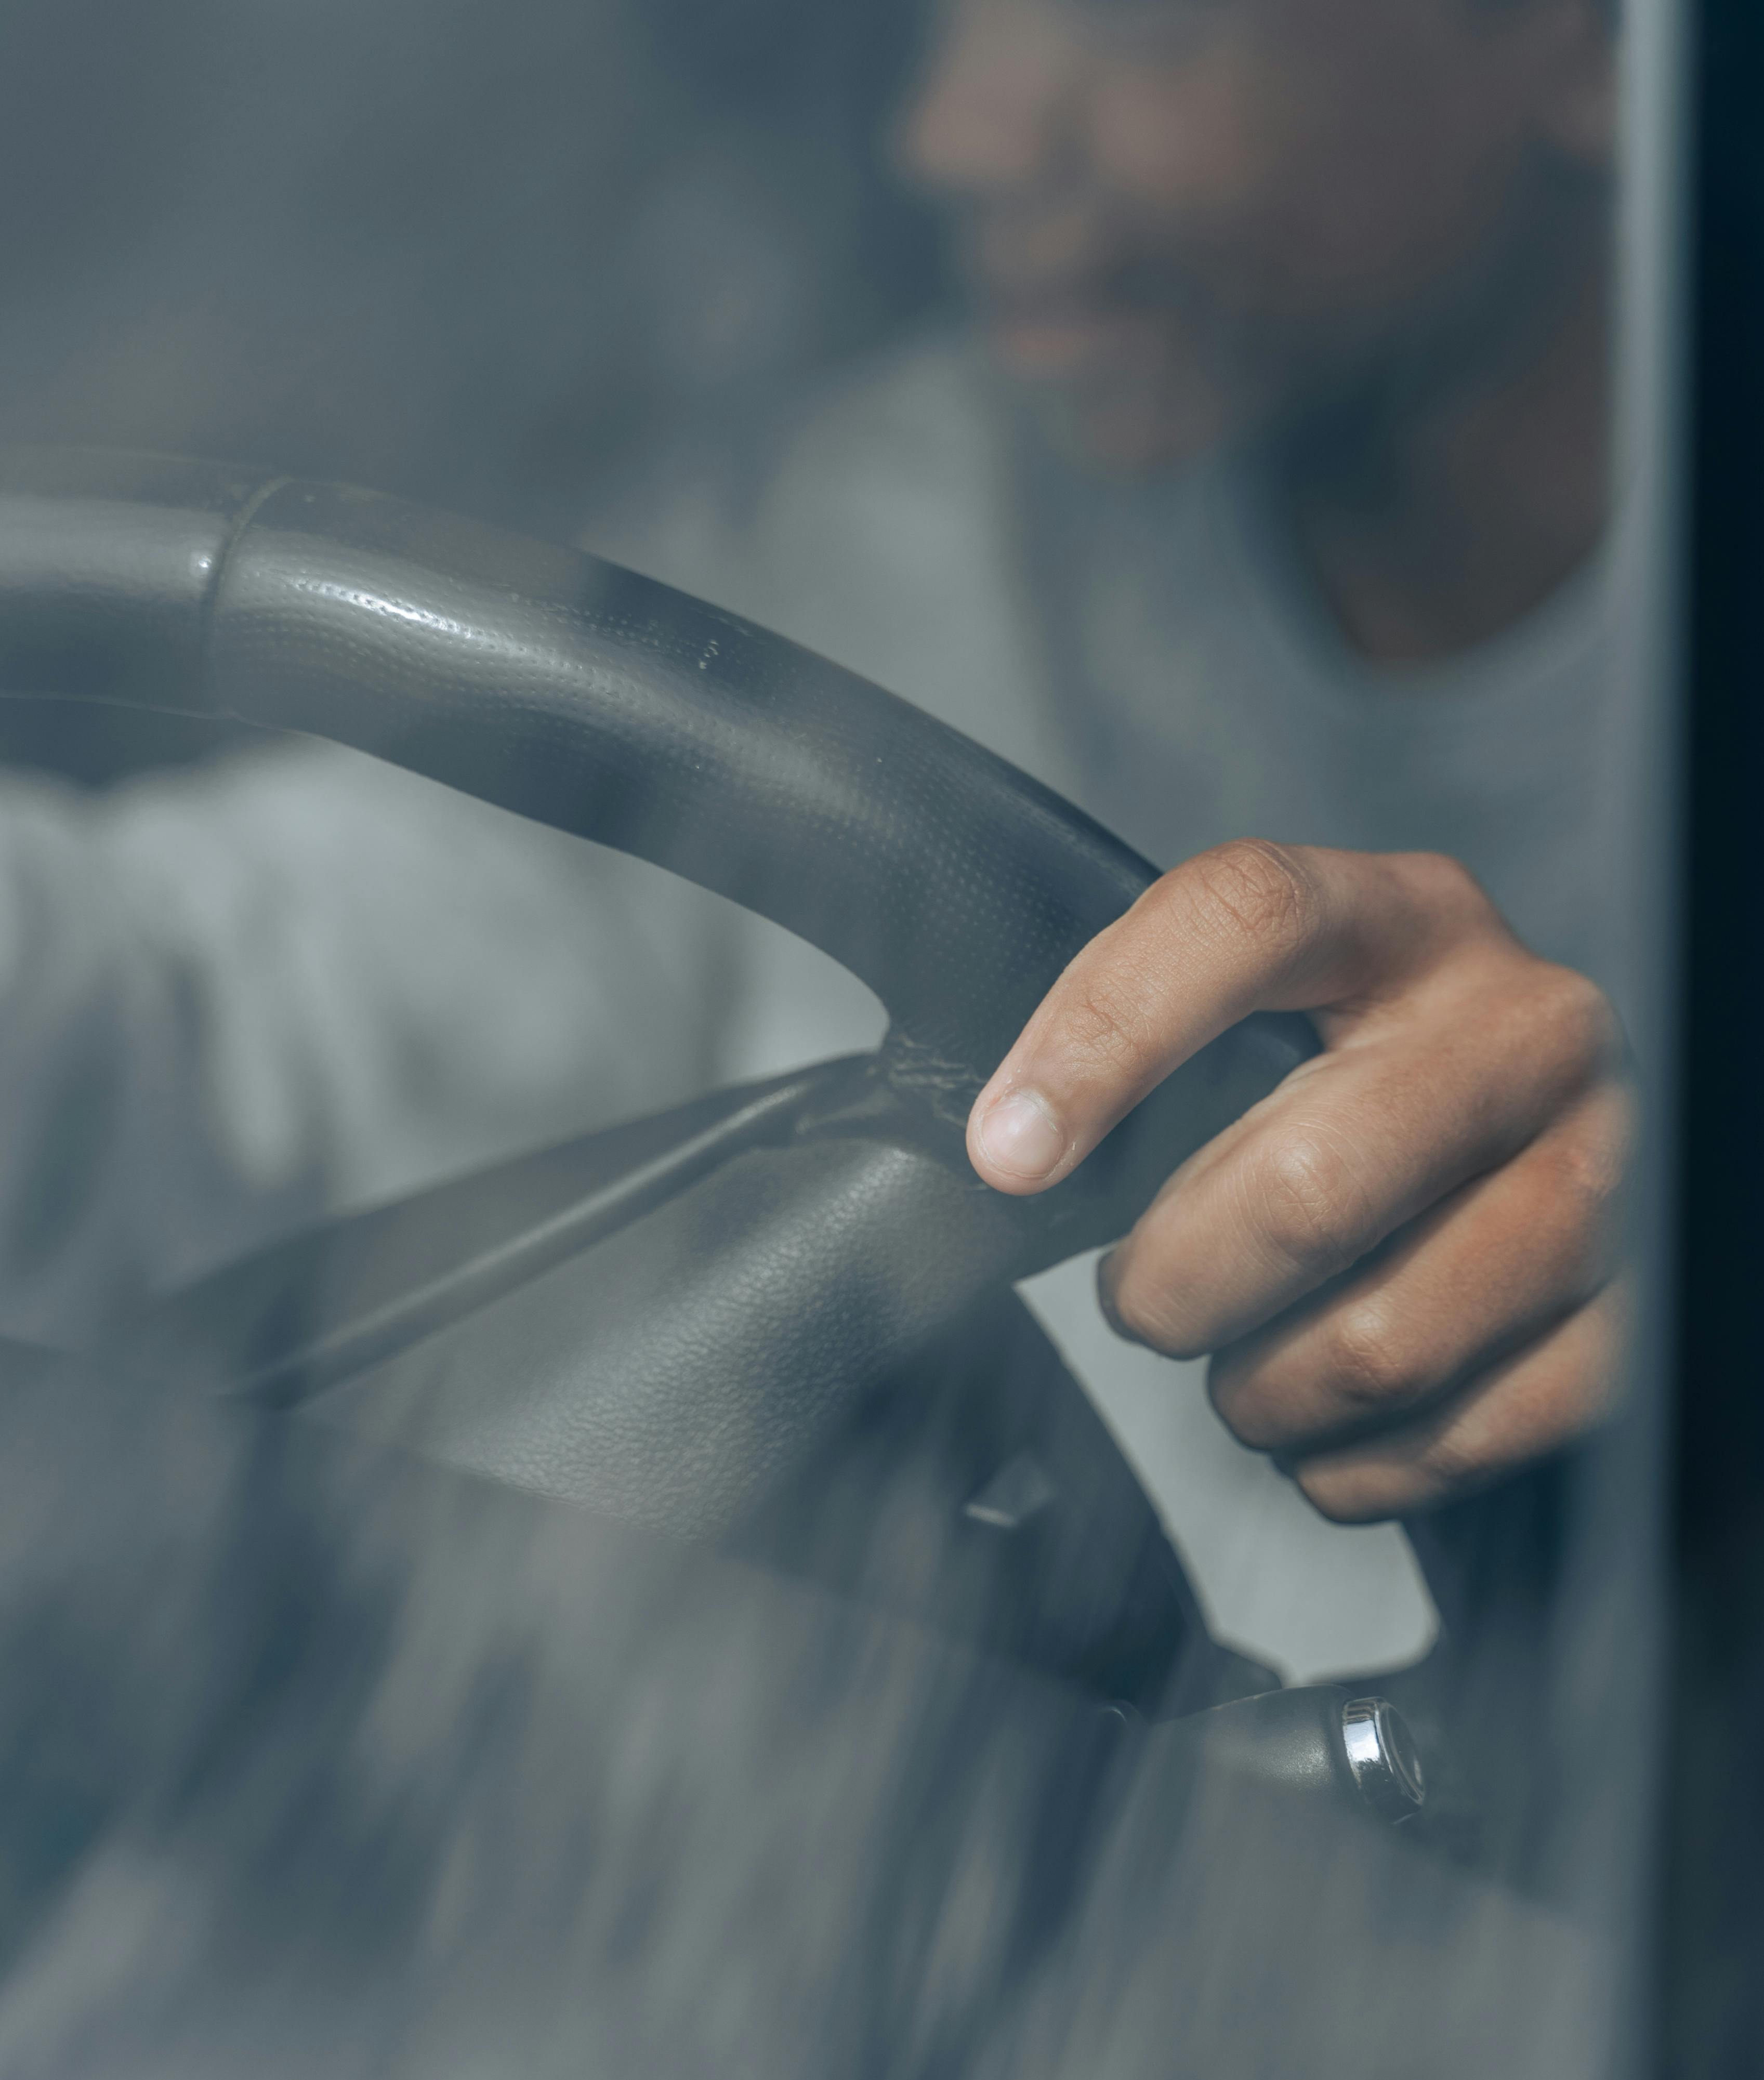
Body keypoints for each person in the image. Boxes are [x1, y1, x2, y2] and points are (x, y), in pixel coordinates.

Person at [0, 0, 1630, 1684]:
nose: (957, 133)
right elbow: (277, 987)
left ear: (1585, 49)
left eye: (1143, 24)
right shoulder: (880, 517)